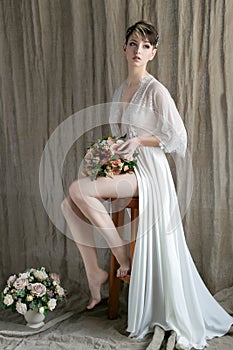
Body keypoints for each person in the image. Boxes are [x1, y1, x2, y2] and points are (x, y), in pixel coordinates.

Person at [61, 21, 232, 350]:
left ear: (152, 53)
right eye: (133, 44)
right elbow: (121, 138)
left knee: (78, 190)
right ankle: (95, 275)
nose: (138, 51)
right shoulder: (119, 90)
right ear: (124, 48)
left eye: (145, 46)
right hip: (128, 169)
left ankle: (123, 257)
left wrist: (140, 140)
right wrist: (107, 153)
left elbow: (178, 139)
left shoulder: (155, 90)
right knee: (67, 204)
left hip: (150, 175)